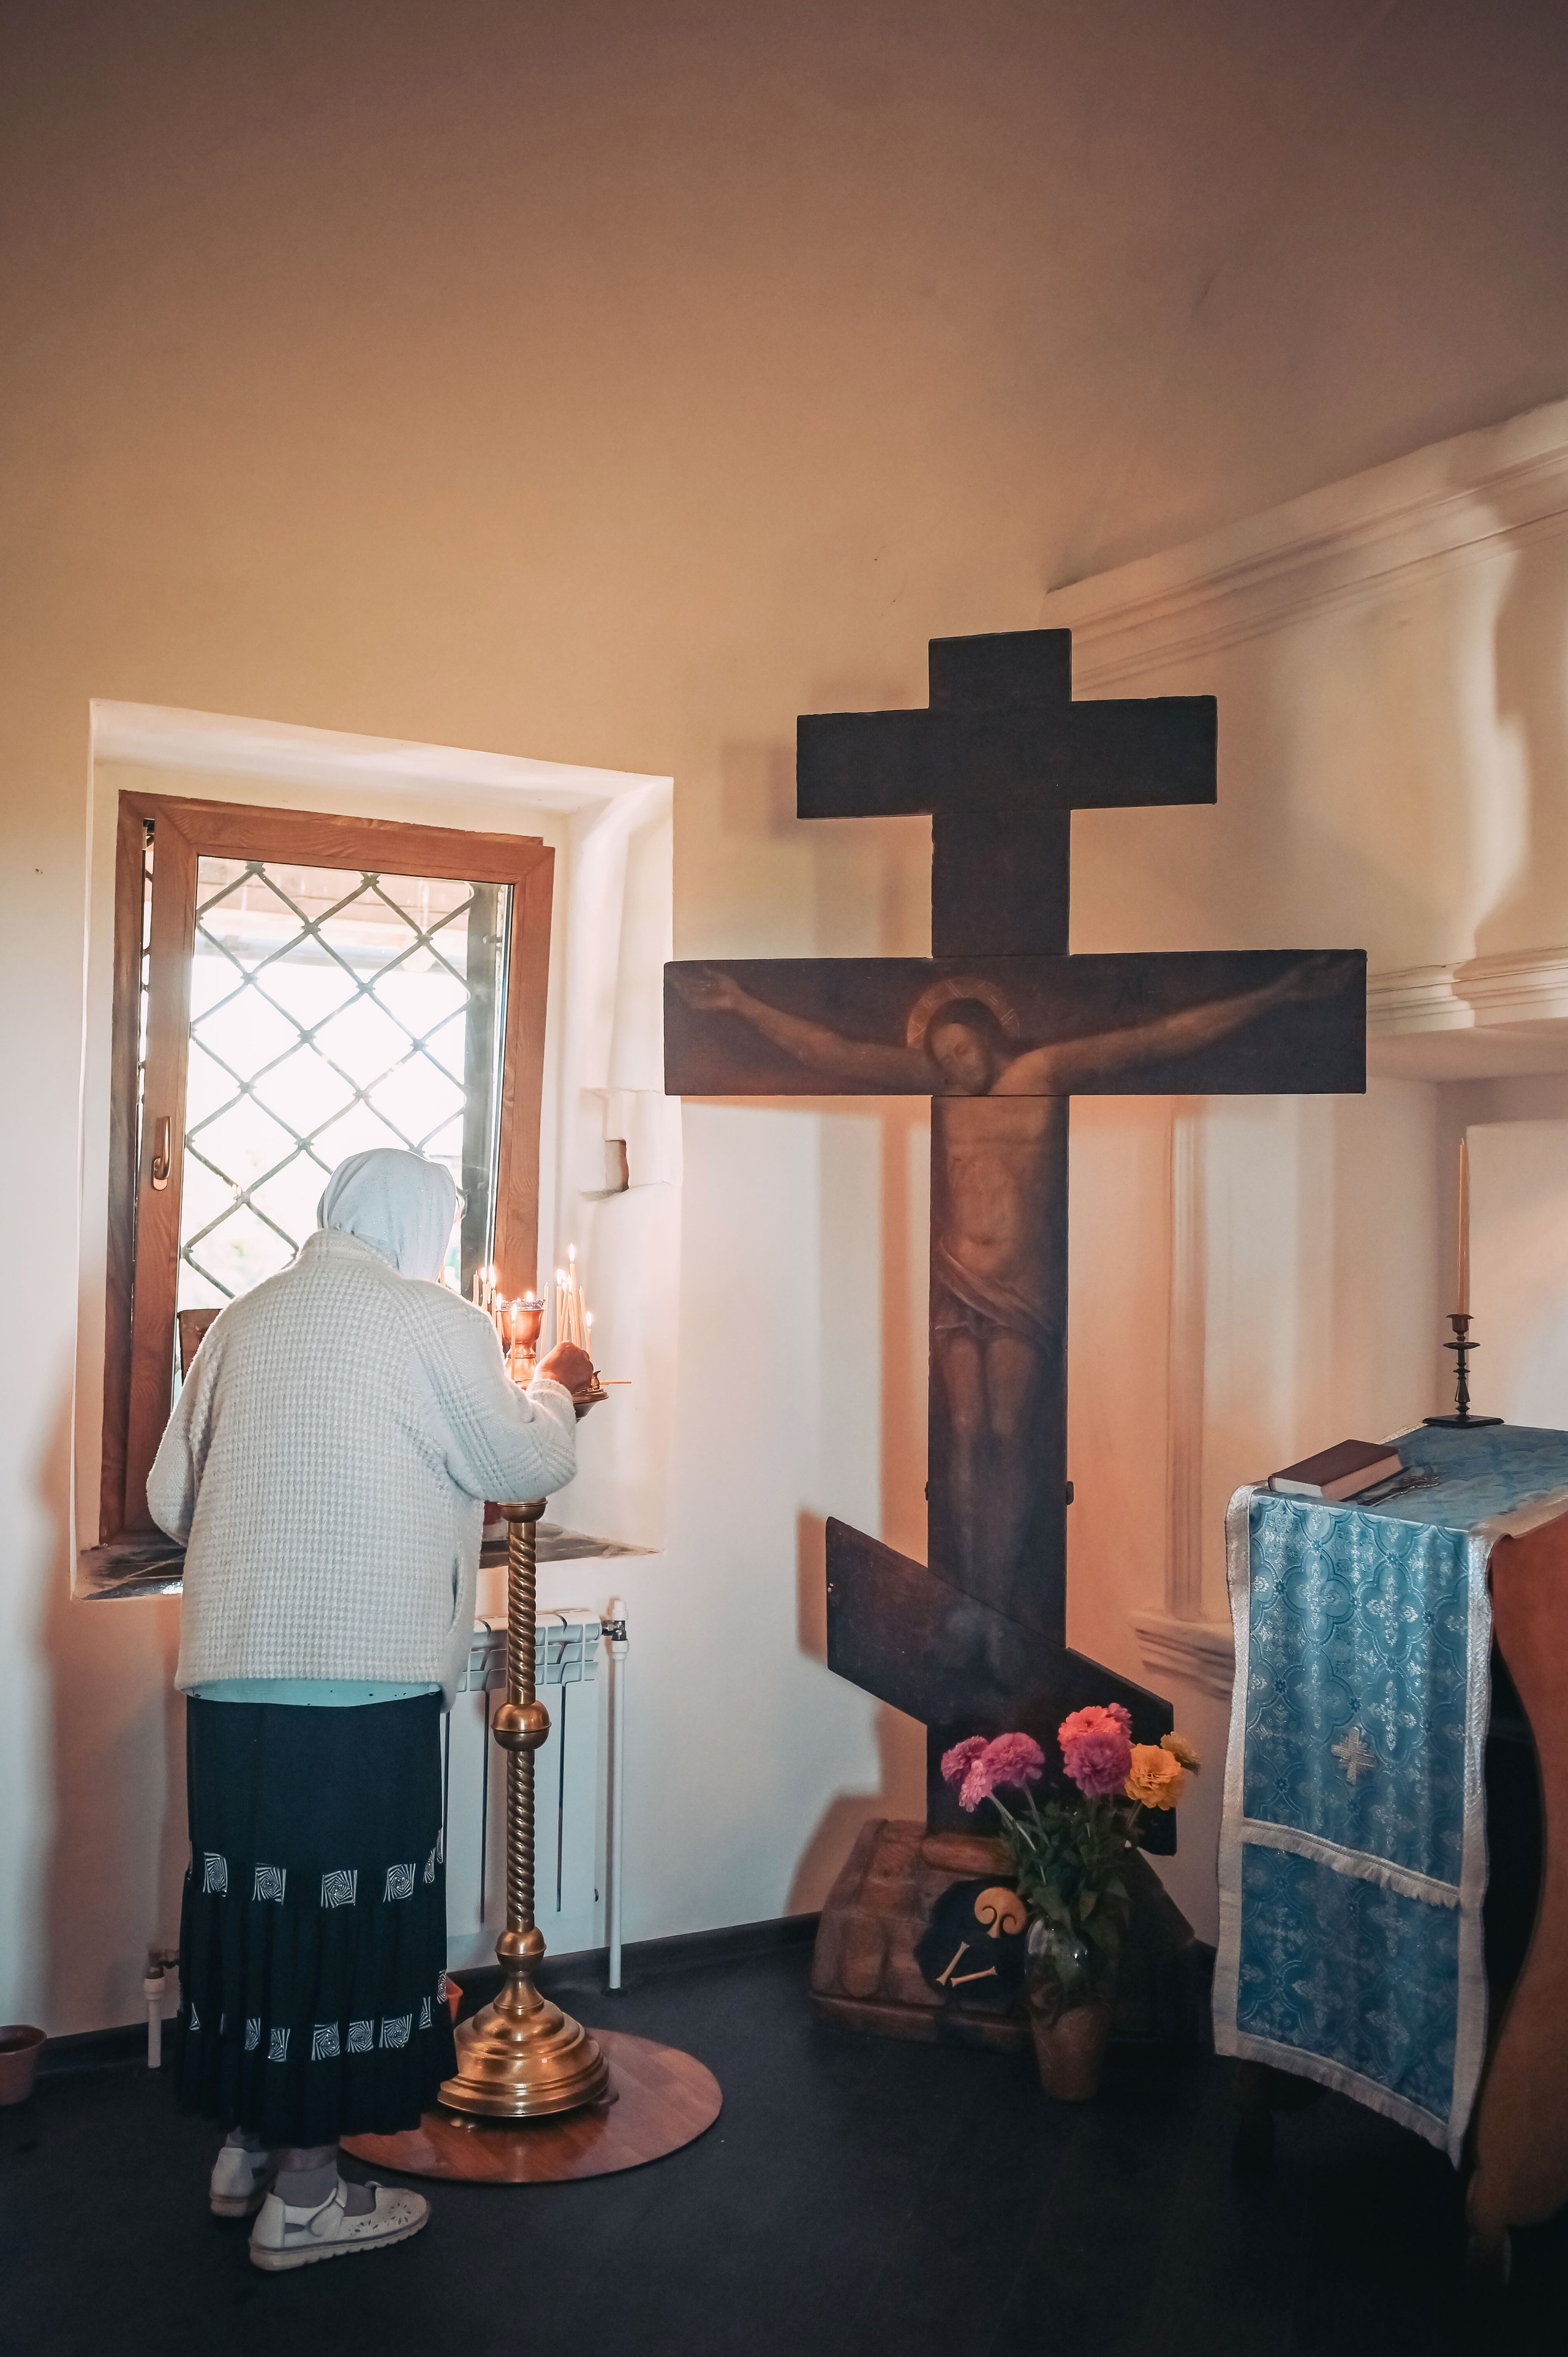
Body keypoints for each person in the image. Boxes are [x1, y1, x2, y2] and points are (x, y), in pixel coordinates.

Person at [146, 1148, 594, 2272]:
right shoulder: (432, 1320)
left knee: (255, 1910)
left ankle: (245, 2149)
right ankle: (306, 2198)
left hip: (232, 1677)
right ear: (421, 1226)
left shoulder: (241, 1321)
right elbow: (522, 1454)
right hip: (363, 1681)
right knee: (344, 1923)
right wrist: (554, 1383)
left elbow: (166, 1499)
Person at [672, 954, 1354, 1610]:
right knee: (964, 1429)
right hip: (956, 1280)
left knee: (1011, 1429)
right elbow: (835, 1053)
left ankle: (1000, 1586)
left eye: (963, 1051)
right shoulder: (936, 1085)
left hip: (1020, 1291)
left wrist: (1277, 993)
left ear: (992, 1040)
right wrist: (740, 1002)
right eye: (941, 1058)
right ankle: (974, 1590)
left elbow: (1151, 1038)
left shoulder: (1043, 1069)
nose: (953, 1067)